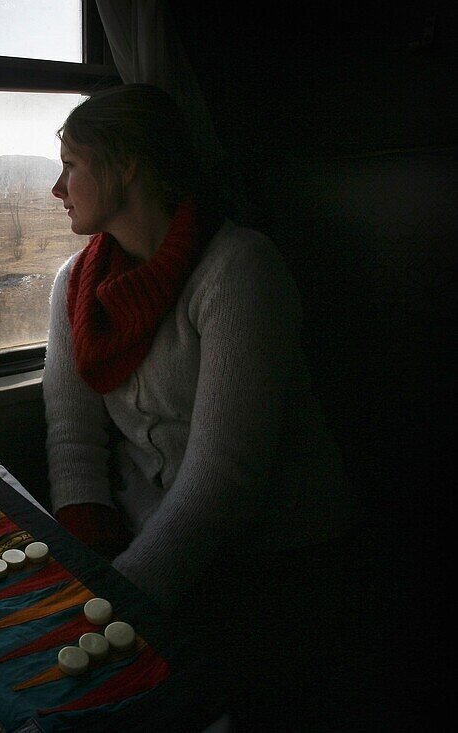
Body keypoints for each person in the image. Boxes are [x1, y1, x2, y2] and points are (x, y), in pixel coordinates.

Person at [44, 84, 360, 729]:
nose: (58, 187)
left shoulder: (239, 270)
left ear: (126, 164)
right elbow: (73, 431)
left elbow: (224, 479)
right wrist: (87, 552)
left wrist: (120, 596)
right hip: (155, 541)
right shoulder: (76, 283)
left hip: (277, 554)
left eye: (72, 164)